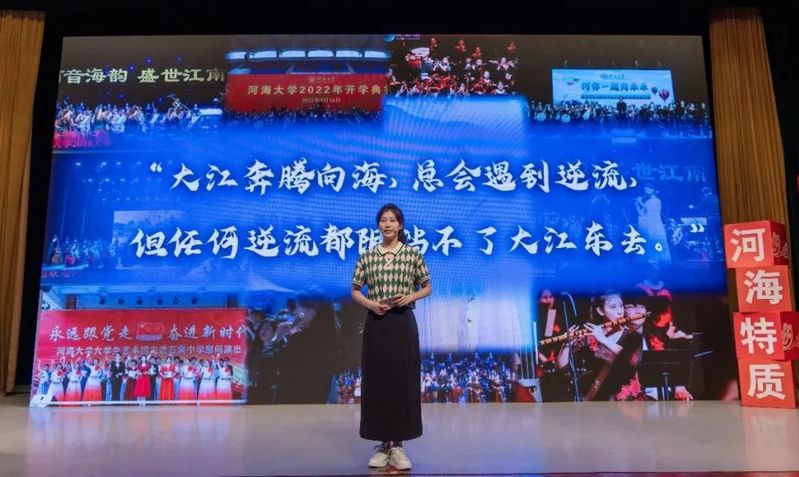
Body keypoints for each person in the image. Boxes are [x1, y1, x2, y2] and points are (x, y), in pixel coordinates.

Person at [351, 203, 432, 470]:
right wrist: (371, 305)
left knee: (401, 381)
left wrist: (409, 297)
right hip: (377, 323)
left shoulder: (412, 254)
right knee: (378, 382)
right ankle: (382, 443)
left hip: (402, 322)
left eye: (392, 220)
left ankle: (398, 445)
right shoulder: (368, 256)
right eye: (383, 220)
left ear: (400, 225)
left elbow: (427, 287)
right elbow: (355, 290)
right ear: (378, 225)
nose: (387, 224)